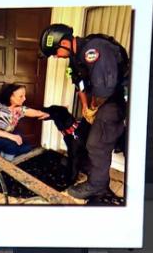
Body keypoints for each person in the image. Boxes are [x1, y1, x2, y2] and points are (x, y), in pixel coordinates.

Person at [40, 23, 129, 199]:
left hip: (115, 100)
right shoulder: (75, 58)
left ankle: (97, 186)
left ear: (64, 44)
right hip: (100, 101)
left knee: (96, 143)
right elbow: (80, 86)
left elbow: (104, 90)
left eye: (55, 53)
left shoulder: (93, 49)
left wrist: (94, 109)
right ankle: (95, 170)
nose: (56, 57)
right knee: (88, 136)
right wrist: (86, 108)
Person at [0, 83, 48, 159]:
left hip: (6, 138)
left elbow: (37, 113)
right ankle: (5, 167)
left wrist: (51, 113)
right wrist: (11, 136)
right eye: (21, 96)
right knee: (11, 143)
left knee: (27, 148)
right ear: (10, 96)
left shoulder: (20, 109)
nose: (24, 98)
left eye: (24, 96)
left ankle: (3, 155)